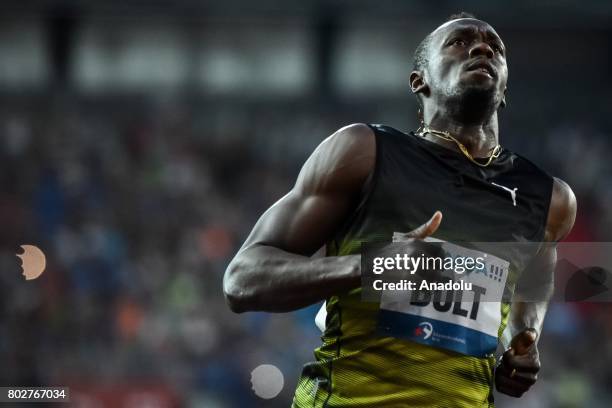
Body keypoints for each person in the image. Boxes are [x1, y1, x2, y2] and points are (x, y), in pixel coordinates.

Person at [223, 12, 576, 407]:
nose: (482, 49)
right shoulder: (363, 153)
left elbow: (538, 271)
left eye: (496, 48)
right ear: (419, 80)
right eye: (459, 43)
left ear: (506, 85)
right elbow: (242, 279)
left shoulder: (548, 199)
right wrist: (371, 266)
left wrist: (523, 338)